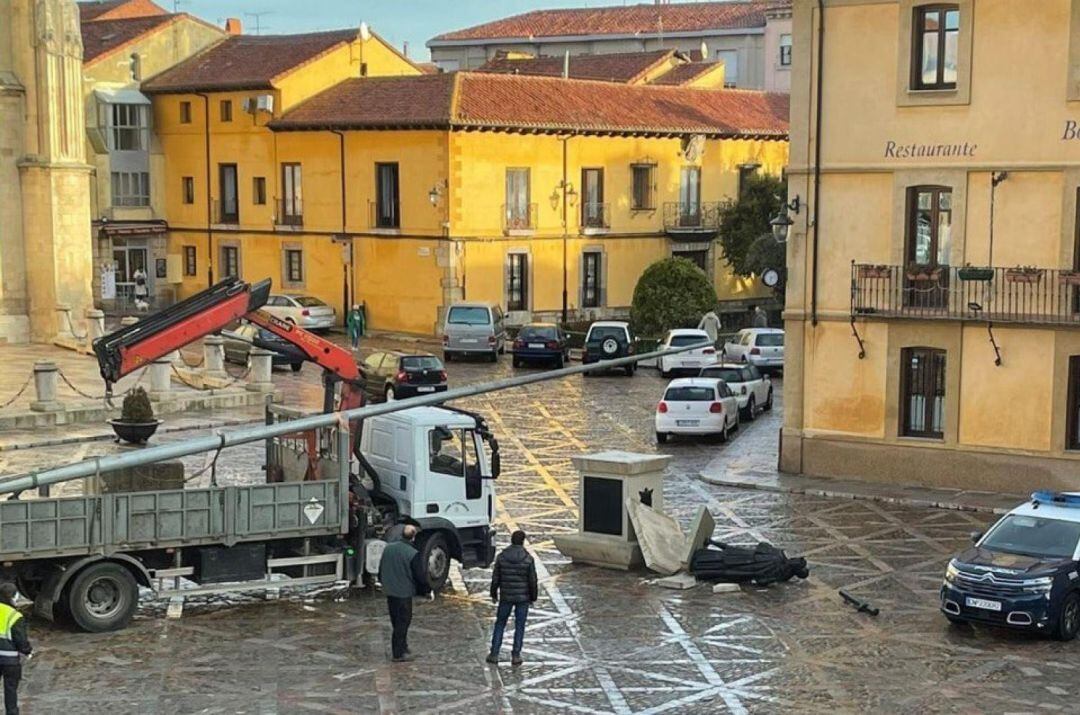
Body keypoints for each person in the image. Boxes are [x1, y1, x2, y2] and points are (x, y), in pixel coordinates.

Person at [378, 525, 429, 662]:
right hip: (404, 593)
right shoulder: (412, 553)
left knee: (396, 621)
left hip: (390, 591)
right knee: (403, 623)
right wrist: (426, 590)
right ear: (413, 537)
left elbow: (380, 569)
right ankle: (398, 653)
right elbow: (419, 575)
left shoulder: (388, 548)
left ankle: (403, 647)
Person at [486, 530, 538, 667]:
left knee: (500, 624)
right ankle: (516, 655)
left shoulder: (502, 557)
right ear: (523, 541)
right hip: (523, 598)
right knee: (519, 626)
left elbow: (496, 577)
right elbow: (532, 581)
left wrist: (493, 593)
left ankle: (494, 653)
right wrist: (533, 597)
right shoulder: (528, 559)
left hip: (506, 596)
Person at [0, 583, 31, 715]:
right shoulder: (15, 616)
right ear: (14, 597)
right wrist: (27, 651)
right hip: (10, 661)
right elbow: (21, 640)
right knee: (11, 690)